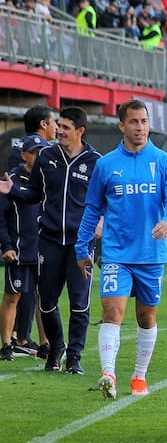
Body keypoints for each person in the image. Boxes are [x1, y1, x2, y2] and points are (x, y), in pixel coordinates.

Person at [72, 101, 167, 398]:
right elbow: (93, 207)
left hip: (151, 254)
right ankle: (108, 373)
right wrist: (82, 246)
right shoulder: (107, 164)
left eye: (144, 121)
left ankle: (139, 376)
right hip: (116, 253)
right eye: (133, 121)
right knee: (112, 311)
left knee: (146, 317)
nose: (140, 127)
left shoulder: (164, 163)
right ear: (121, 125)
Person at [0, 107, 101, 374]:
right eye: (60, 126)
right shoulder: (46, 156)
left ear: (80, 131)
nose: (60, 131)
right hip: (49, 240)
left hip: (81, 244)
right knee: (46, 300)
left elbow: (106, 200)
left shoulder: (95, 161)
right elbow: (33, 193)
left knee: (80, 302)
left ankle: (74, 357)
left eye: (66, 127)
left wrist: (102, 222)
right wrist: (13, 191)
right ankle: (56, 347)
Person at [0, 136, 46, 361]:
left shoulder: (49, 178)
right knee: (12, 296)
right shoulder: (12, 179)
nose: (38, 156)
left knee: (46, 298)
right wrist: (6, 245)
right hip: (19, 249)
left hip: (45, 250)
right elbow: (1, 216)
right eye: (34, 151)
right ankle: (7, 344)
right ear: (23, 155)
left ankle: (47, 343)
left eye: (42, 151)